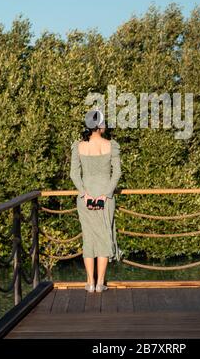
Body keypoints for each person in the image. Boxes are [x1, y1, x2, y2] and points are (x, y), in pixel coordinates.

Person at [70, 109, 122, 293]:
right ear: (99, 125)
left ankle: (89, 283)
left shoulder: (78, 146)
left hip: (85, 198)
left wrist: (84, 194)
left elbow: (74, 174)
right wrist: (106, 193)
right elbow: (117, 173)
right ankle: (100, 283)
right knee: (104, 236)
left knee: (89, 238)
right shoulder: (111, 145)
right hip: (105, 197)